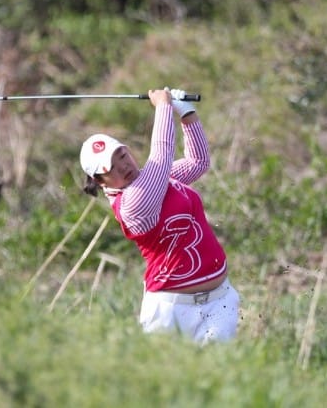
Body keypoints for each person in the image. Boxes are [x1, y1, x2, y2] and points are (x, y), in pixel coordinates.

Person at [79, 87, 240, 345]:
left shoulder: (158, 178)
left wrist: (185, 112)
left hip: (219, 303)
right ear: (101, 181)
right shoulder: (132, 203)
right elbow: (162, 157)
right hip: (170, 312)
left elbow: (198, 161)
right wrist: (164, 106)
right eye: (112, 166)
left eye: (123, 154)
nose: (124, 165)